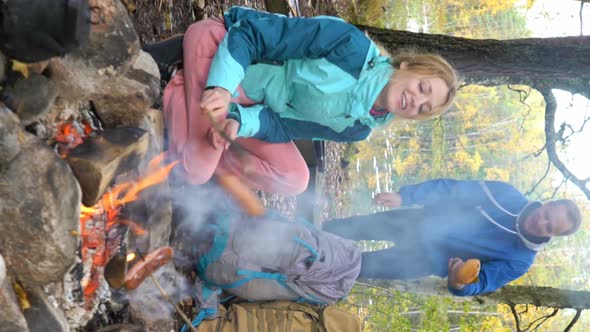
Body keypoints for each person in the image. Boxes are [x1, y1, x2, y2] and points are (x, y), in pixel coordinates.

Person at [145, 6, 458, 195]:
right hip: (225, 52)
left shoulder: (358, 129)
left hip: (248, 105)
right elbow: (249, 35)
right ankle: (179, 78)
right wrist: (223, 87)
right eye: (422, 88)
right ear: (408, 66)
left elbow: (281, 125)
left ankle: (205, 148)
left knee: (295, 179)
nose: (415, 101)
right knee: (195, 171)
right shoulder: (348, 44)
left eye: (423, 109)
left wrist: (238, 123)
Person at [322, 178, 582, 296]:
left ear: (552, 236)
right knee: (346, 228)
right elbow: (453, 190)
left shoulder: (521, 260)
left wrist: (459, 283)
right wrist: (407, 197)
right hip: (416, 223)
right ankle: (299, 234)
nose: (541, 221)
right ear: (546, 204)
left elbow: (482, 283)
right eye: (547, 213)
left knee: (352, 267)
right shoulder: (507, 194)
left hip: (420, 260)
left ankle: (301, 268)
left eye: (549, 227)